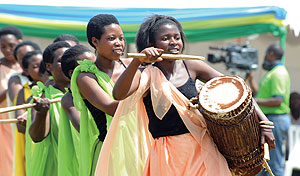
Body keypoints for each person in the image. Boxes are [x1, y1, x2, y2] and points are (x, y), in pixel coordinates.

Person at [95, 14, 275, 176]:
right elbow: (118, 94)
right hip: (167, 156)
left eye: (177, 37)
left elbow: (238, 89)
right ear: (152, 45)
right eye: (165, 38)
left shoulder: (193, 67)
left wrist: (264, 123)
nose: (173, 42)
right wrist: (137, 61)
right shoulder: (146, 73)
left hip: (203, 149)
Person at [70, 14, 129, 176]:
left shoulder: (129, 66)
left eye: (121, 38)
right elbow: (111, 108)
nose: (119, 43)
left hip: (136, 143)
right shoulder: (86, 76)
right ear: (95, 41)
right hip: (108, 150)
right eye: (111, 38)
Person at [26, 41, 71, 176]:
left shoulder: (88, 91)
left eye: (70, 59)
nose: (67, 64)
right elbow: (36, 136)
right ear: (48, 66)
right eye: (61, 61)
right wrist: (42, 113)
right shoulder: (42, 96)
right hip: (55, 168)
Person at [246, 43, 290, 176]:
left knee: (274, 163)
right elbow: (261, 94)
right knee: (264, 162)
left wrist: (253, 101)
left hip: (275, 119)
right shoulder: (272, 72)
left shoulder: (278, 73)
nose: (265, 57)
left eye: (266, 54)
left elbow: (278, 100)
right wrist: (251, 81)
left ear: (270, 54)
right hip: (270, 119)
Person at [58, 44, 96, 176]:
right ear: (72, 73)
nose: (95, 71)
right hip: (91, 151)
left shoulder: (104, 87)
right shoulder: (69, 99)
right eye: (89, 67)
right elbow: (82, 126)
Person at [14, 50, 45, 176]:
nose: (40, 70)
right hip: (33, 143)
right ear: (26, 71)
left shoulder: (55, 89)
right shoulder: (24, 92)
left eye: (42, 65)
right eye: (35, 66)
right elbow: (20, 126)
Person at [0, 25, 23, 176]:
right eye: (3, 47)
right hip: (4, 123)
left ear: (19, 43)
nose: (8, 50)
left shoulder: (27, 66)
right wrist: (11, 87)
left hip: (23, 119)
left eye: (12, 46)